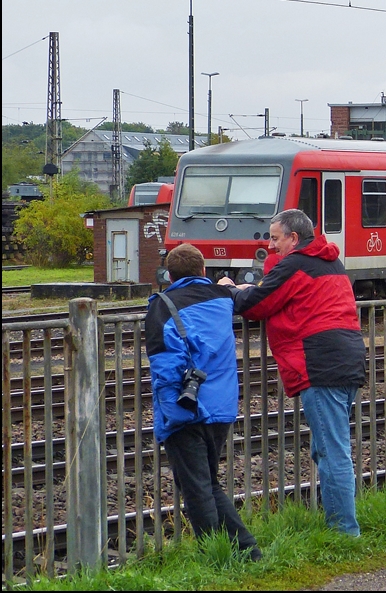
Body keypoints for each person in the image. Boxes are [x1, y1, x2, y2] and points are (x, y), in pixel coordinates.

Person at [219, 209, 365, 536]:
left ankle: (345, 532)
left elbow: (257, 303)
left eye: (274, 238)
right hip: (348, 357)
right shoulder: (330, 262)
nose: (270, 245)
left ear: (293, 239)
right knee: (326, 447)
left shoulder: (295, 264)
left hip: (320, 364)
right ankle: (339, 523)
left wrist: (229, 289)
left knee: (332, 452)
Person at [145, 244, 261, 561]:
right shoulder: (223, 300)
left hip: (186, 409)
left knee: (199, 488)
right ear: (204, 271)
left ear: (168, 275)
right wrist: (231, 285)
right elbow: (240, 295)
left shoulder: (162, 306)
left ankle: (222, 555)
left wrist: (171, 416)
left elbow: (165, 366)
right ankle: (241, 552)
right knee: (204, 483)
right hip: (222, 407)